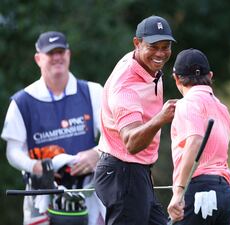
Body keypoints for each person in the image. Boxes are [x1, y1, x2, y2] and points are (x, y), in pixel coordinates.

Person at [1, 31, 105, 225]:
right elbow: (13, 151)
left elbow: (112, 135)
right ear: (38, 58)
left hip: (87, 192)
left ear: (68, 54)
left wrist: (97, 153)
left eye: (61, 51)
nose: (57, 57)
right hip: (41, 192)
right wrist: (36, 167)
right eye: (50, 53)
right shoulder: (22, 101)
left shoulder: (93, 91)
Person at [93, 15, 177, 225]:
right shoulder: (126, 87)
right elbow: (131, 142)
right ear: (137, 43)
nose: (160, 53)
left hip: (135, 173)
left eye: (165, 47)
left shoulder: (146, 65)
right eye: (153, 46)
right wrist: (161, 119)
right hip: (123, 173)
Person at [167, 48, 230, 225]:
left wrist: (179, 191)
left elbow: (195, 140)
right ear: (210, 76)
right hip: (224, 195)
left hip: (199, 190)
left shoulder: (187, 103)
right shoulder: (223, 109)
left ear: (176, 78)